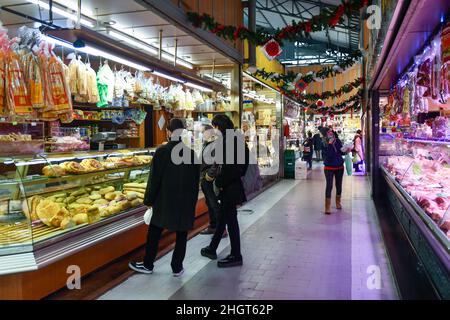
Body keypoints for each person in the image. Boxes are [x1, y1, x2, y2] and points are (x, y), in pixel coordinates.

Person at [129, 118, 200, 277]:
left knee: (155, 231)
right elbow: (196, 181)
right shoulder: (191, 153)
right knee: (182, 233)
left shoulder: (162, 152)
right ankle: (177, 267)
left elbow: (154, 179)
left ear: (168, 132)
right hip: (185, 200)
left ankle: (148, 264)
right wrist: (193, 201)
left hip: (165, 199)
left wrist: (148, 200)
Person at [201, 114, 249, 268]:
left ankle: (236, 255)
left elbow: (227, 167)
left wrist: (220, 182)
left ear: (219, 127)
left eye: (215, 127)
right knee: (224, 217)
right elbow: (244, 164)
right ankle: (212, 248)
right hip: (233, 185)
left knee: (231, 221)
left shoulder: (229, 142)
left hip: (229, 187)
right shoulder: (237, 139)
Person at [200, 124, 227, 238]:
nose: (202, 134)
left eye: (203, 132)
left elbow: (217, 161)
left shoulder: (215, 144)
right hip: (205, 177)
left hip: (210, 178)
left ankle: (222, 230)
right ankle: (213, 226)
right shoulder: (207, 143)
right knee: (209, 203)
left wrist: (210, 175)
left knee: (214, 203)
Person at [322, 128, 345, 214]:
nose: (330, 134)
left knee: (339, 185)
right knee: (329, 186)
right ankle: (327, 207)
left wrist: (346, 150)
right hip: (329, 168)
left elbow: (341, 152)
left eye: (331, 132)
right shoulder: (324, 143)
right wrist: (330, 144)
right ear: (326, 135)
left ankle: (338, 202)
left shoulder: (338, 141)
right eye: (328, 133)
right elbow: (327, 155)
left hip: (339, 167)